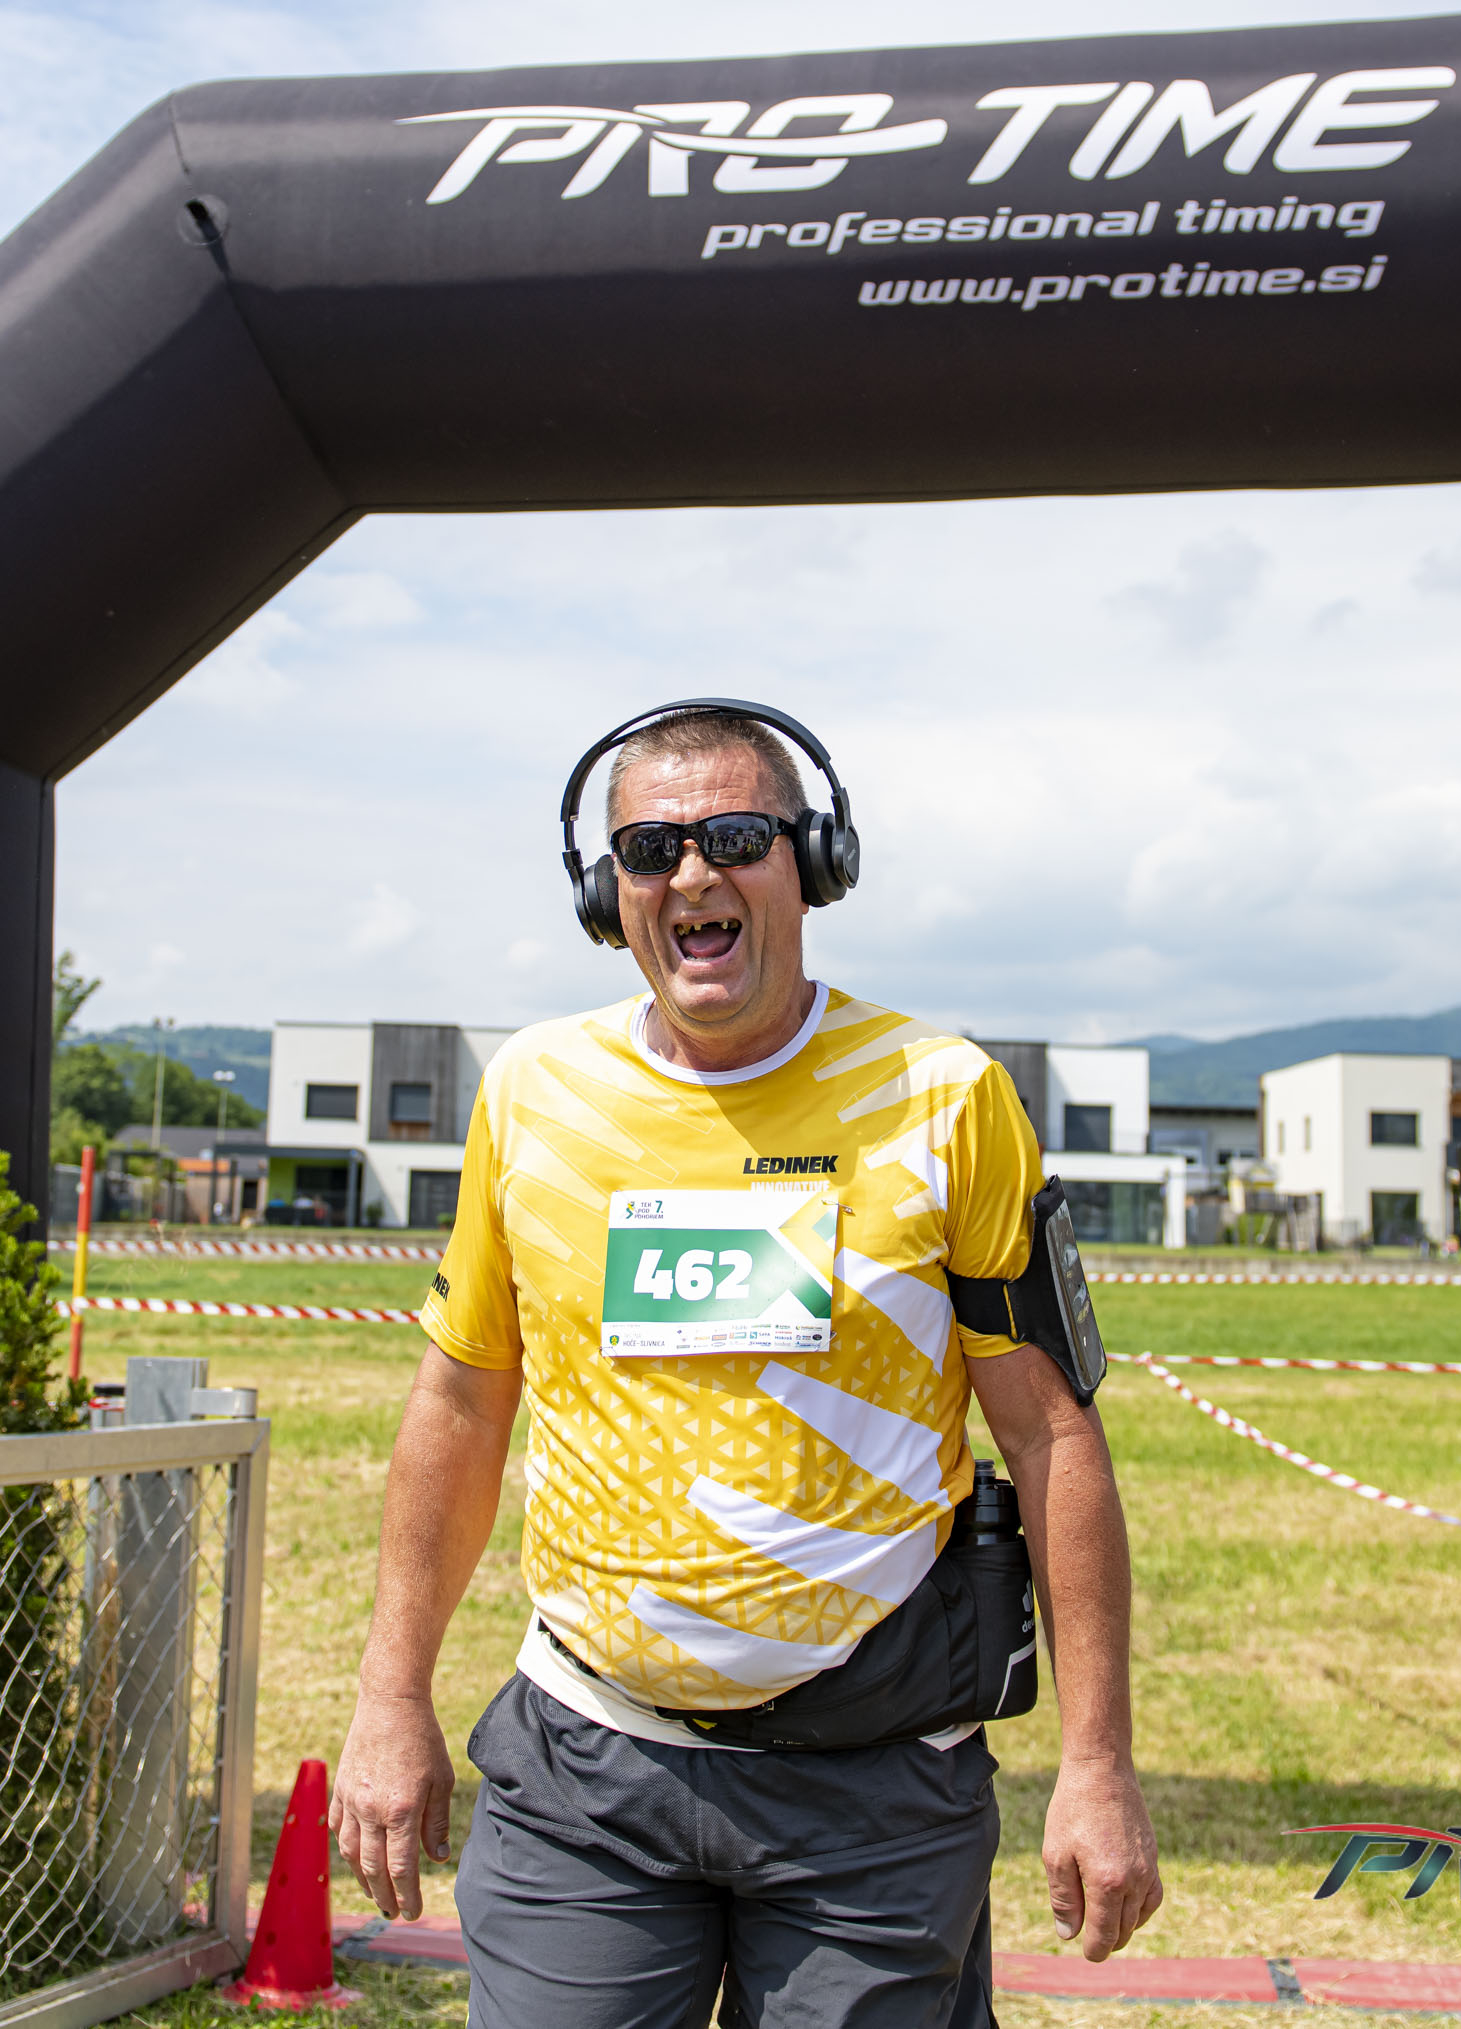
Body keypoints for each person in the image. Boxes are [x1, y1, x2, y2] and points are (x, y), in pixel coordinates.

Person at [332, 703, 1159, 2029]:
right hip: (587, 1771)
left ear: (812, 864)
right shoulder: (534, 1092)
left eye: (733, 837)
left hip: (874, 1793)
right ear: (607, 891)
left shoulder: (944, 1097)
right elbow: (461, 1400)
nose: (692, 873)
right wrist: (389, 1695)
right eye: (650, 847)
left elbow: (1052, 1435)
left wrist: (1098, 1762)